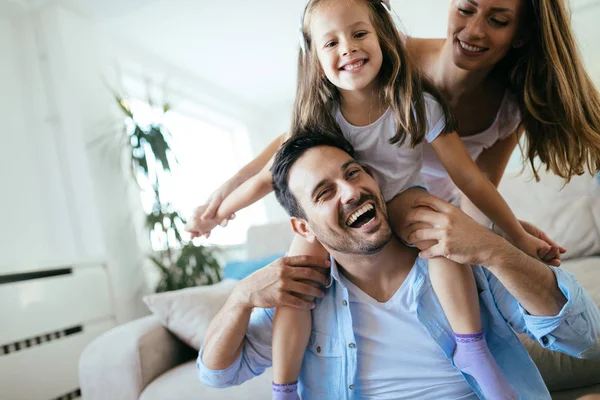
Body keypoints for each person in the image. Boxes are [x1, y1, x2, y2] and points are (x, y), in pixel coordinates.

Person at [188, 1, 564, 399]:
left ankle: (471, 348)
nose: (348, 48)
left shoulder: (416, 102)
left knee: (440, 238)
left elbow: (471, 178)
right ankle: (285, 387)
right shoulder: (321, 117)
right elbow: (267, 178)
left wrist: (515, 237)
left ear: (383, 37)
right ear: (315, 59)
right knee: (296, 282)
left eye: (359, 34)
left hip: (401, 198)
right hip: (343, 214)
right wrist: (220, 211)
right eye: (330, 42)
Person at [197, 131, 600, 400]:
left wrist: (493, 248)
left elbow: (582, 337)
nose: (352, 191)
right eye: (325, 192)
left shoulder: (459, 257)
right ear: (303, 227)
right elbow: (217, 374)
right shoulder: (302, 297)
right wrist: (240, 298)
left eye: (353, 173)